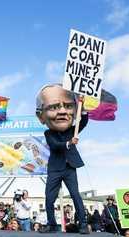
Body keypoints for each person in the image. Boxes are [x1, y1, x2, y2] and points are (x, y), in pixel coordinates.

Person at [35, 83, 89, 234]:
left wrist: (82, 107)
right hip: (55, 169)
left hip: (70, 167)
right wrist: (68, 143)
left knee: (75, 195)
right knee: (49, 198)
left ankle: (83, 224)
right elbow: (55, 145)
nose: (62, 112)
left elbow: (83, 121)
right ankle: (52, 225)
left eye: (67, 106)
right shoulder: (49, 133)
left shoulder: (72, 129)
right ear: (41, 116)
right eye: (54, 107)